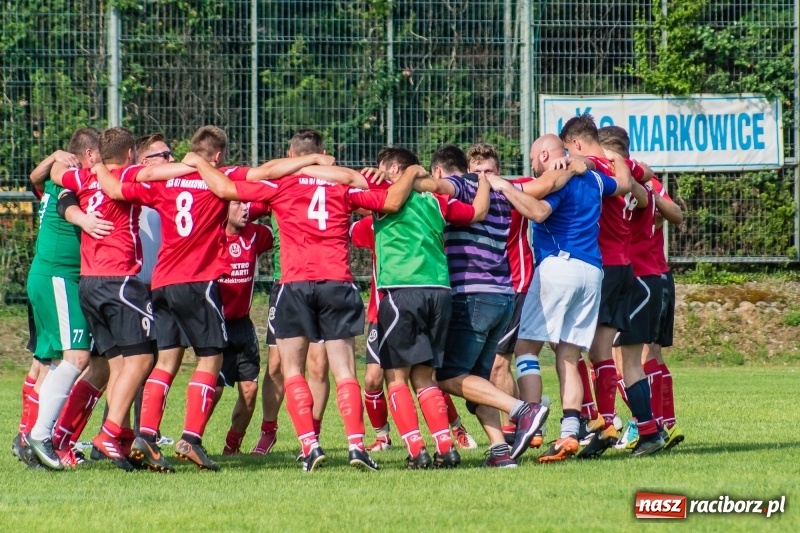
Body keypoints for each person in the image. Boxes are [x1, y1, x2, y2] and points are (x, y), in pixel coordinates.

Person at [184, 137, 423, 472]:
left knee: (291, 370)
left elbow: (227, 188)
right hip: (336, 282)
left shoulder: (282, 184)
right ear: (324, 156)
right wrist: (408, 171)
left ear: (293, 156)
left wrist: (198, 162)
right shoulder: (343, 185)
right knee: (343, 371)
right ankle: (356, 447)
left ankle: (310, 447)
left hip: (294, 284)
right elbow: (391, 201)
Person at [98, 125, 326, 472]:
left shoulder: (165, 180)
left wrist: (97, 166)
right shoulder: (220, 176)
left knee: (165, 362)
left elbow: (116, 189)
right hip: (198, 281)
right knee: (211, 359)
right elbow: (266, 173)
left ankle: (145, 435)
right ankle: (191, 438)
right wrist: (310, 159)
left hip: (163, 283)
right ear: (218, 155)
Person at [417, 145, 575, 467]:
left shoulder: (463, 185)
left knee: (447, 376)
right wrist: (574, 167)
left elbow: (436, 187)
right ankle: (500, 451)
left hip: (472, 295)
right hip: (502, 296)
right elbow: (545, 185)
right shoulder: (504, 190)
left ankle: (522, 410)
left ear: (439, 169)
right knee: (479, 380)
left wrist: (406, 178)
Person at [493, 134, 631, 462]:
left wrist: (506, 188)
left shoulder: (556, 177)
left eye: (532, 160)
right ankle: (569, 432)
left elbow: (539, 212)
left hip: (559, 265)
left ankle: (532, 423)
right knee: (568, 355)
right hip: (592, 272)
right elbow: (624, 185)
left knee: (526, 348)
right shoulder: (596, 178)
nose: (531, 166)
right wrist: (620, 161)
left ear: (545, 154)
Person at [50, 127, 177, 470]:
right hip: (119, 280)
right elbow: (154, 172)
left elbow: (56, 174)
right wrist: (193, 165)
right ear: (131, 154)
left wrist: (74, 165)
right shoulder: (127, 173)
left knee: (116, 365)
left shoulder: (83, 177)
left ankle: (65, 437)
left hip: (89, 283)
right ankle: (108, 434)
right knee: (143, 359)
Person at [363, 147, 490, 469]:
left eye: (381, 168)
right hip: (440, 290)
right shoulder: (437, 198)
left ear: (393, 168)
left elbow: (364, 195)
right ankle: (445, 447)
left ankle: (416, 449)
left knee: (396, 377)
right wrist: (486, 181)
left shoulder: (383, 191)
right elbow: (476, 212)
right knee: (425, 376)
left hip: (402, 290)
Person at [560, 115, 664, 457]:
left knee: (585, 350)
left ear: (576, 143)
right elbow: (646, 174)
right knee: (609, 354)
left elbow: (585, 161)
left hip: (603, 267)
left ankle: (601, 422)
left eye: (566, 148)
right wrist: (622, 163)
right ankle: (640, 430)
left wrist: (579, 162)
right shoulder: (625, 165)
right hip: (625, 268)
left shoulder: (593, 166)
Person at [23, 128, 105, 470]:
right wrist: (57, 158)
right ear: (88, 156)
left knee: (52, 362)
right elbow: (48, 176)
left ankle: (30, 437)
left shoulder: (59, 176)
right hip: (58, 276)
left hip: (51, 276)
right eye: (100, 155)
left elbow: (34, 176)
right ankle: (42, 437)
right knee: (77, 356)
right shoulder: (72, 180)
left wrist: (54, 156)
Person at [251, 131, 335, 456]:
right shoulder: (277, 188)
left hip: (324, 283)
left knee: (316, 364)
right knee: (278, 365)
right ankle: (268, 431)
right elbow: (246, 204)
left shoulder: (330, 184)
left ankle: (311, 438)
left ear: (288, 154)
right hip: (286, 283)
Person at [466, 143, 537, 446]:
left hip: (515, 283)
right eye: (477, 171)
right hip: (477, 290)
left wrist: (569, 165)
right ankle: (529, 415)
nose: (484, 177)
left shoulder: (513, 188)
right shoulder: (461, 194)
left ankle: (513, 430)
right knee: (476, 368)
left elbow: (546, 183)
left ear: (499, 171)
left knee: (498, 363)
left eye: (489, 171)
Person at [211, 200, 274, 455]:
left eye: (248, 205)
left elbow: (273, 208)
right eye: (238, 204)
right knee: (212, 391)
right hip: (217, 325)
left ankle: (232, 446)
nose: (246, 209)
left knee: (249, 391)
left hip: (243, 327)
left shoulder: (255, 235)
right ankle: (193, 441)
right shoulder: (211, 236)